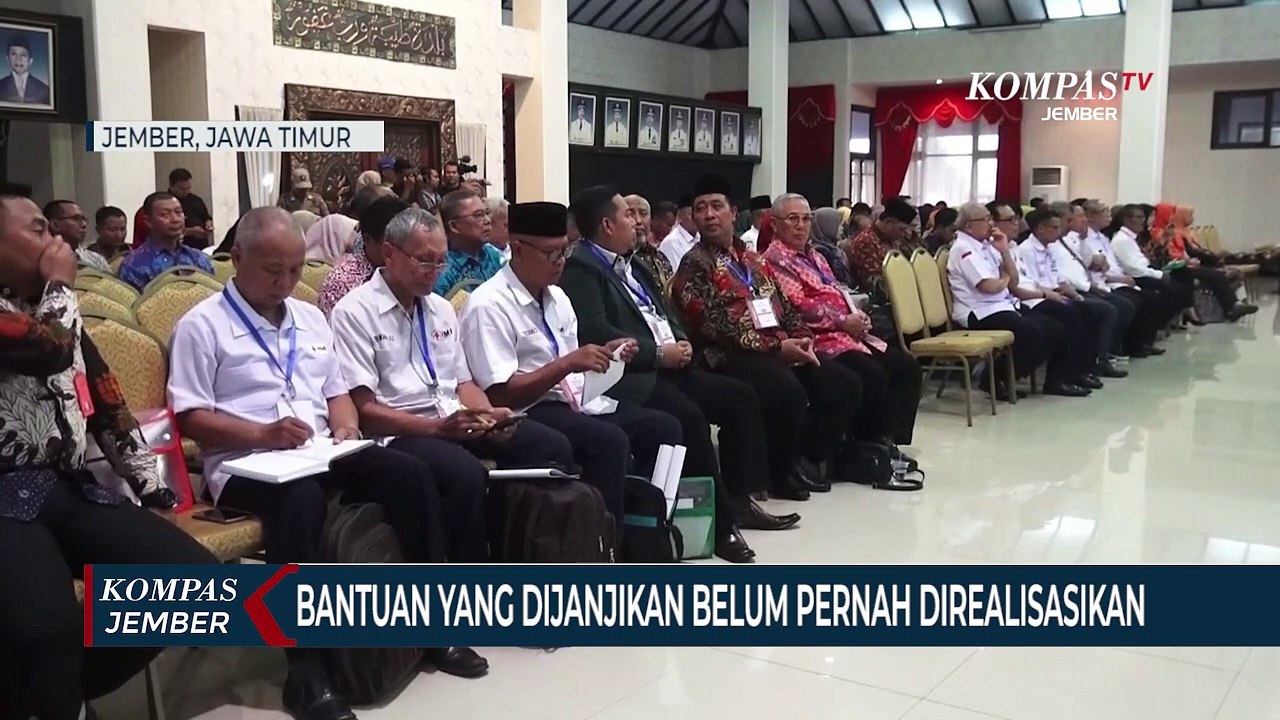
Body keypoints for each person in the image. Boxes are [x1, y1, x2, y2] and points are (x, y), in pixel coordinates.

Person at [169, 208, 487, 717]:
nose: (285, 281)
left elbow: (337, 393)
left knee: (409, 474)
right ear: (238, 257)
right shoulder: (201, 326)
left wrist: (346, 429)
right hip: (245, 463)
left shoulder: (310, 316)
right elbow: (190, 417)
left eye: (295, 269)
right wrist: (262, 433)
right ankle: (306, 667)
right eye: (273, 270)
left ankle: (431, 624)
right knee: (300, 503)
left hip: (317, 449)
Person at [0, 192, 213, 720]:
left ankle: (58, 698)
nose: (55, 240)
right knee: (41, 627)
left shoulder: (55, 310)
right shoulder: (53, 310)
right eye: (38, 229)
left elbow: (107, 403)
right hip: (3, 500)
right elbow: (47, 349)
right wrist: (60, 284)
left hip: (67, 487)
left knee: (196, 583)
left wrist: (153, 487)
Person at [563, 186, 801, 562]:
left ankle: (741, 499)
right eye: (627, 215)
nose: (636, 223)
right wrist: (659, 353)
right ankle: (721, 527)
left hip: (670, 363)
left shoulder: (634, 264)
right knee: (687, 416)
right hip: (630, 376)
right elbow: (596, 331)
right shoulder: (582, 268)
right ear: (607, 225)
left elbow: (664, 312)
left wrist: (680, 341)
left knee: (740, 397)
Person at [332, 207, 574, 567]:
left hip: (454, 419)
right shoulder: (354, 312)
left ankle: (519, 557)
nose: (434, 271)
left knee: (550, 446)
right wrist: (436, 428)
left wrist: (489, 415)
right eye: (424, 261)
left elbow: (463, 383)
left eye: (441, 261)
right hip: (403, 430)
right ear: (390, 253)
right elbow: (365, 409)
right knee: (463, 474)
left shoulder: (441, 309)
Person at [459, 202, 683, 523]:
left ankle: (646, 529)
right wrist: (567, 364)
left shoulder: (557, 297)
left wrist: (606, 353)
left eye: (564, 250)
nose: (560, 261)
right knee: (608, 442)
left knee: (664, 427)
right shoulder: (489, 305)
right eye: (550, 253)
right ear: (518, 249)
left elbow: (572, 361)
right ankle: (602, 540)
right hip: (529, 408)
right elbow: (499, 394)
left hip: (576, 399)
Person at [671, 175, 864, 500]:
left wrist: (801, 338)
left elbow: (784, 305)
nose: (709, 215)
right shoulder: (694, 264)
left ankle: (805, 458)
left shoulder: (751, 259)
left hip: (775, 347)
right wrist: (776, 348)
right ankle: (776, 474)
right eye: (701, 209)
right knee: (785, 389)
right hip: (725, 355)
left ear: (733, 213)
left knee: (842, 382)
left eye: (716, 206)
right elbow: (714, 324)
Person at [763, 193, 924, 477]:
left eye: (806, 219)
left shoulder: (815, 255)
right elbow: (798, 305)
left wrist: (857, 315)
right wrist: (843, 321)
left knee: (906, 368)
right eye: (792, 219)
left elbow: (837, 290)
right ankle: (859, 447)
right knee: (871, 374)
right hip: (819, 336)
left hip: (847, 330)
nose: (801, 226)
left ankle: (884, 440)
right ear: (775, 224)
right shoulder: (774, 260)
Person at [948, 202, 1050, 400]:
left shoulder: (987, 244)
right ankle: (993, 379)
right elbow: (988, 286)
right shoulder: (963, 249)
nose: (991, 223)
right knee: (1032, 333)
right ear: (969, 226)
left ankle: (1002, 377)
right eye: (986, 219)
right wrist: (1005, 279)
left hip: (1000, 305)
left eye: (990, 218)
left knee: (1052, 329)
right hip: (978, 312)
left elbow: (1014, 281)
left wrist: (1004, 251)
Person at [1012, 208, 1104, 397]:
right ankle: (1058, 380)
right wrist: (1051, 293)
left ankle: (1079, 371)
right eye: (1054, 227)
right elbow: (1030, 281)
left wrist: (1072, 294)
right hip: (1035, 299)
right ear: (1040, 229)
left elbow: (1057, 277)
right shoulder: (1027, 249)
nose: (1059, 231)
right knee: (1070, 316)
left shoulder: (1048, 248)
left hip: (1052, 294)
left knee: (1088, 311)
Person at [1081, 200, 1166, 357]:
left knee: (1148, 297)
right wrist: (1119, 278)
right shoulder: (1086, 239)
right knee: (1131, 302)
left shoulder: (1101, 237)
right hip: (1103, 282)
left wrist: (1121, 276)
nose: (1109, 216)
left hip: (1115, 278)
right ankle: (1116, 347)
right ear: (1091, 216)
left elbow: (1111, 263)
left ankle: (1139, 343)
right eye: (1104, 212)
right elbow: (1096, 269)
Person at [1053, 204, 1128, 375]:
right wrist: (1088, 287)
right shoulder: (1051, 244)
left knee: (1118, 305)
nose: (1082, 221)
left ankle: (1100, 357)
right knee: (1106, 310)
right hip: (1069, 290)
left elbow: (1087, 261)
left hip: (1082, 286)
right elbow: (1061, 275)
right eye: (1069, 220)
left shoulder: (1069, 240)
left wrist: (1083, 239)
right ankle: (1096, 361)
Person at [1160, 203, 1257, 321]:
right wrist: (1191, 260)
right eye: (1190, 215)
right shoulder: (1163, 234)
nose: (1192, 218)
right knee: (1215, 275)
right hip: (1175, 268)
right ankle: (1231, 308)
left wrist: (1191, 259)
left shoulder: (1181, 232)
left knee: (1228, 273)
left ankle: (1235, 305)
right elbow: (1173, 255)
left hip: (1185, 264)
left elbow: (1187, 251)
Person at [317, 194, 407, 316]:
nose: (401, 253)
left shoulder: (412, 273)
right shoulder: (343, 281)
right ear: (367, 239)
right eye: (392, 247)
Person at [1109, 204, 1195, 323]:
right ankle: (1158, 324)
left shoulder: (1132, 237)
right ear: (1126, 220)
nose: (1142, 221)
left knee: (1183, 279)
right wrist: (1159, 274)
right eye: (1138, 217)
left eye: (1143, 217)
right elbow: (1134, 269)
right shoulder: (1122, 240)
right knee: (1172, 291)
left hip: (1146, 270)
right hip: (1136, 276)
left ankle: (1173, 317)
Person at [117, 192, 215, 291]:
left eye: (178, 212)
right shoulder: (134, 265)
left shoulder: (199, 258)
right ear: (148, 221)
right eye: (165, 214)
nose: (175, 219)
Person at [433, 190, 503, 296]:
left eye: (487, 213)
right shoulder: (442, 268)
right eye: (478, 215)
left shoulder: (492, 255)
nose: (487, 220)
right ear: (454, 226)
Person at [844, 197, 916, 289]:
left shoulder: (889, 240)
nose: (902, 234)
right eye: (901, 229)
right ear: (888, 222)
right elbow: (874, 283)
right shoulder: (866, 242)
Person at [44, 200, 109, 271]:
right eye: (76, 219)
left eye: (84, 219)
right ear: (55, 225)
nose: (84, 224)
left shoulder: (96, 259)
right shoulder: (43, 260)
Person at [166, 168, 215, 250]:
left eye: (188, 188)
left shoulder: (196, 200)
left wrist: (208, 223)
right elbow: (164, 229)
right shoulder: (165, 203)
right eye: (182, 189)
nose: (186, 191)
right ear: (171, 186)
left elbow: (206, 217)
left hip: (200, 247)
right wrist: (190, 231)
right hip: (178, 248)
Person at [808, 206, 855, 287]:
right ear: (827, 226)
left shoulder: (835, 249)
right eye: (838, 225)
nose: (842, 229)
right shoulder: (820, 253)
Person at [633, 196, 675, 287]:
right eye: (630, 214)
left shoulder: (659, 257)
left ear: (650, 219)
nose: (638, 221)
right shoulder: (613, 261)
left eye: (643, 214)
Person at [0, 34, 50, 104]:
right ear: (7, 59)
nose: (18, 59)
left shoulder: (44, 90)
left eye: (23, 55)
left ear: (30, 61)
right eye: (13, 54)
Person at [658, 194, 699, 271]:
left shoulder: (700, 237)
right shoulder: (671, 242)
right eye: (691, 215)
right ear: (679, 217)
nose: (695, 218)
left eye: (697, 213)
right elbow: (679, 274)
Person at [486, 197, 511, 262]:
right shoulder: (484, 256)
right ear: (489, 224)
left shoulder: (514, 250)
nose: (510, 230)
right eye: (506, 225)